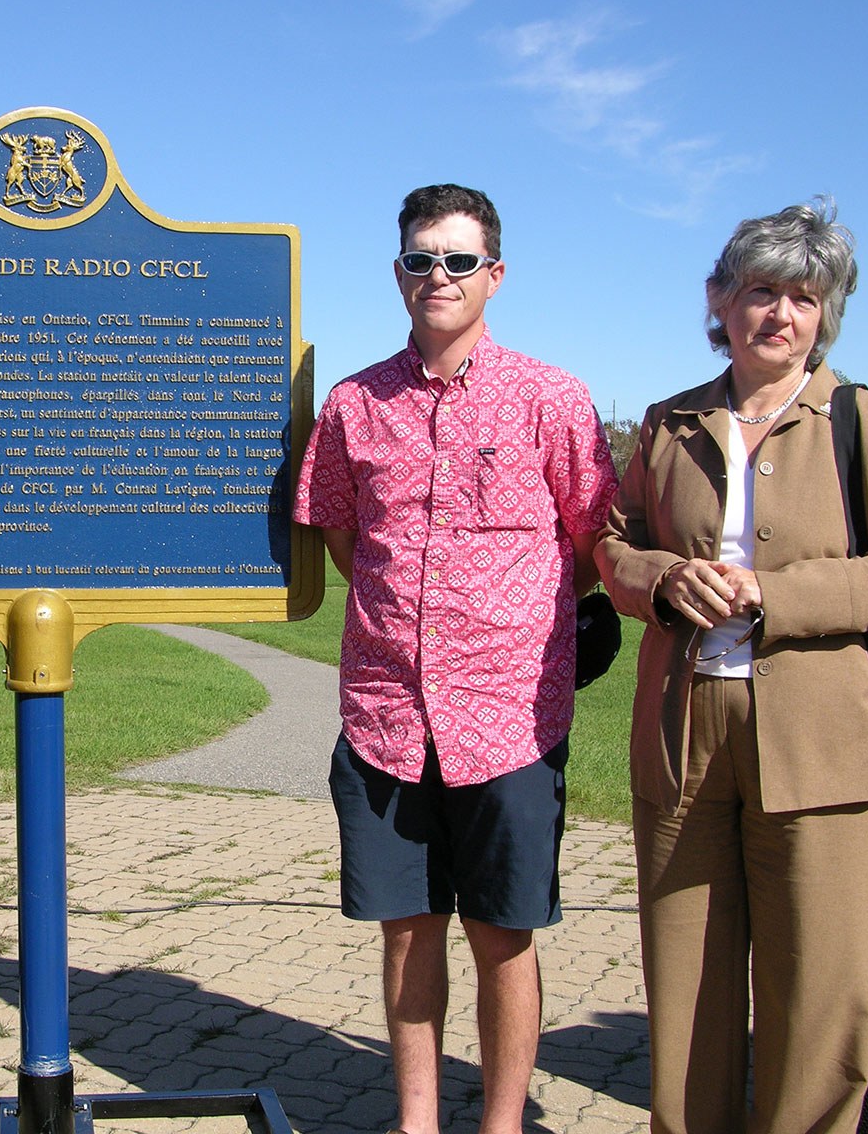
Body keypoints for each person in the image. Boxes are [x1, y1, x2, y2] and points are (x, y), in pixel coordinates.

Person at [294, 184, 617, 1134]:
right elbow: (349, 543)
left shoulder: (552, 399)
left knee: (504, 938)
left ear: (495, 275)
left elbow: (591, 539)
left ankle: (503, 1123)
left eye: (458, 259)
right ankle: (419, 1120)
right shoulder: (354, 405)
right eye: (420, 259)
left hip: (512, 721)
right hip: (388, 716)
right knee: (407, 933)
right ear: (397, 274)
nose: (438, 275)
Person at [596, 200, 868, 1134]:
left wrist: (777, 596)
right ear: (720, 299)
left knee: (822, 989)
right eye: (761, 289)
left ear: (827, 311)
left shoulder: (861, 422)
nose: (781, 314)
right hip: (684, 736)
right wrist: (662, 577)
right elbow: (611, 543)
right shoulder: (670, 422)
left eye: (805, 296)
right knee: (686, 987)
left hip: (820, 741)